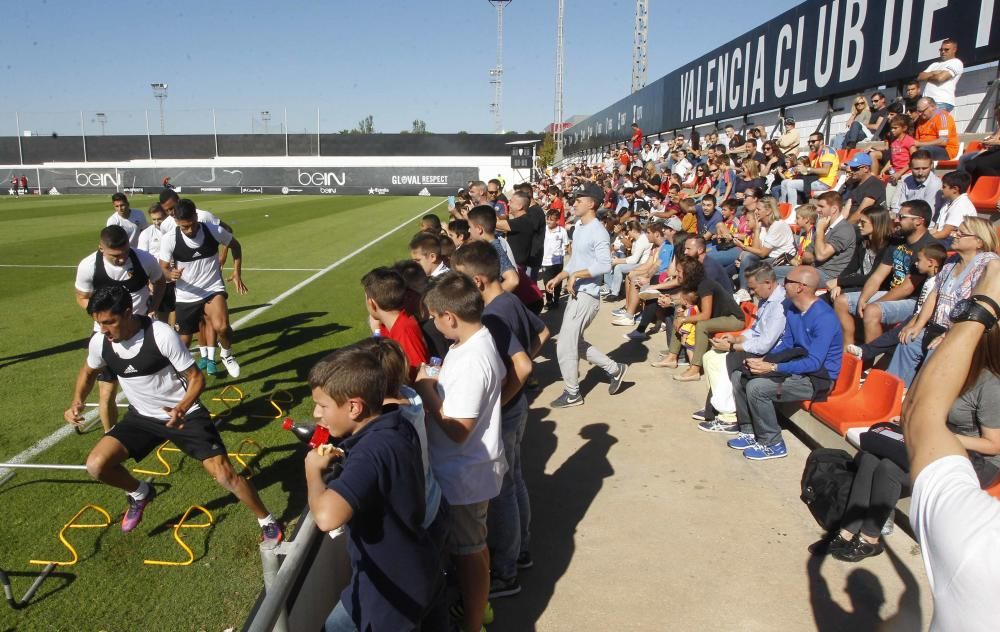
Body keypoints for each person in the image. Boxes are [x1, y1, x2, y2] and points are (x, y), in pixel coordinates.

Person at [63, 285, 281, 541]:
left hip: (184, 414)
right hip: (141, 417)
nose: (104, 330)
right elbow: (88, 372)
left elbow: (197, 378)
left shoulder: (160, 335)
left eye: (110, 322)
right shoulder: (101, 341)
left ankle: (266, 520)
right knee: (96, 466)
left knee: (224, 475)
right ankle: (140, 492)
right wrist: (77, 400)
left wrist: (182, 408)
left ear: (128, 311)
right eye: (99, 323)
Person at [305, 345, 442, 632]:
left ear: (354, 407)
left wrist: (312, 473)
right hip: (403, 570)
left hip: (390, 591)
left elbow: (327, 517)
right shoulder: (394, 423)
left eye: (323, 405)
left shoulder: (371, 452)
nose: (316, 413)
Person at [451, 242, 549, 599]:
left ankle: (506, 572)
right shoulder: (509, 302)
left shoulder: (493, 315)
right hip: (517, 406)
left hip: (507, 412)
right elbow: (542, 333)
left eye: (459, 281)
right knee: (515, 479)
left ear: (477, 281)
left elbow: (522, 366)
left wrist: (497, 400)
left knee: (503, 489)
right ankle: (520, 551)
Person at [902, 273, 1000, 631]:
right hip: (950, 447)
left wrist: (984, 303)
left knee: (887, 465)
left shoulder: (983, 545)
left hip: (977, 458)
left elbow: (918, 415)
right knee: (876, 459)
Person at [412, 272, 506, 632]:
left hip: (464, 472)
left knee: (468, 553)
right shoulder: (472, 343)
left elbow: (459, 430)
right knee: (475, 546)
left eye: (435, 318)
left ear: (449, 317)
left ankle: (473, 624)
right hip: (470, 469)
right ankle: (478, 609)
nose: (434, 325)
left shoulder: (470, 360)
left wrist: (425, 391)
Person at [727, 266, 843, 460]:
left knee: (757, 387)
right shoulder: (791, 308)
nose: (782, 284)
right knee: (740, 374)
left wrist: (773, 367)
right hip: (796, 367)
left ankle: (772, 442)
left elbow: (814, 363)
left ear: (801, 287)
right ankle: (748, 430)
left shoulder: (825, 318)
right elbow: (788, 343)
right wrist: (763, 361)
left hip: (818, 378)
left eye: (787, 281)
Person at [886, 219, 999, 387]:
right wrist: (918, 325)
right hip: (936, 327)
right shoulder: (951, 263)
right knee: (908, 341)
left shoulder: (987, 265)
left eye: (961, 233)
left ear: (978, 242)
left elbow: (974, 307)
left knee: (936, 352)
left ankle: (917, 400)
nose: (955, 234)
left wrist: (948, 335)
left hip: (959, 333)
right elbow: (934, 294)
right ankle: (893, 393)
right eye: (957, 230)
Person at [75, 226, 166, 432]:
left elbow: (160, 282)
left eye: (125, 252)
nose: (121, 259)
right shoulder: (89, 266)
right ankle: (111, 435)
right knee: (107, 392)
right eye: (115, 256)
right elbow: (81, 296)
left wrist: (153, 308)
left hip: (144, 333)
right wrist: (102, 319)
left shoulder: (144, 259)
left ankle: (164, 426)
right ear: (101, 249)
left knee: (157, 383)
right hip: (108, 335)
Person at [546, 182, 628, 408]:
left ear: (591, 203)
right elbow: (574, 262)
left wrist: (577, 275)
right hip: (577, 293)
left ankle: (573, 392)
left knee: (565, 344)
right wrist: (561, 276)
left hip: (588, 295)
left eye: (579, 199)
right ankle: (615, 368)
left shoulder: (599, 231)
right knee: (574, 343)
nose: (574, 203)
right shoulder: (579, 228)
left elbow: (604, 264)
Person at [158, 199, 246, 378]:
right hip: (186, 294)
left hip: (212, 288)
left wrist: (237, 273)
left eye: (191, 225)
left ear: (197, 217)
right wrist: (170, 275)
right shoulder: (170, 240)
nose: (189, 230)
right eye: (184, 227)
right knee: (183, 341)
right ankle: (177, 377)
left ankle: (227, 355)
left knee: (222, 327)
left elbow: (235, 246)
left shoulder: (213, 231)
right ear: (176, 222)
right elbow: (163, 268)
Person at [697, 263, 787, 430]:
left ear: (768, 283)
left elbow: (765, 344)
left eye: (753, 288)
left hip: (770, 354)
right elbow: (755, 330)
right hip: (755, 347)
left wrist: (733, 348)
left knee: (723, 360)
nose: (752, 293)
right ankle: (716, 404)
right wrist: (735, 339)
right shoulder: (766, 300)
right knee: (709, 356)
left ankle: (729, 416)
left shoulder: (779, 306)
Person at [834, 200, 937, 344]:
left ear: (919, 221)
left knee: (872, 310)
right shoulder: (898, 242)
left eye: (902, 217)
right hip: (891, 293)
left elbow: (907, 288)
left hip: (914, 301)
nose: (896, 220)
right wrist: (864, 298)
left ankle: (868, 360)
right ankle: (848, 350)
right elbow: (877, 276)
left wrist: (875, 302)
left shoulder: (929, 247)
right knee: (841, 301)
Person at [659, 258, 745, 382]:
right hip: (718, 317)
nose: (676, 274)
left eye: (679, 271)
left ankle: (695, 369)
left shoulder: (705, 285)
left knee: (702, 325)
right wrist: (670, 300)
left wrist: (684, 319)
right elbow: (684, 300)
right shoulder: (692, 284)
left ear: (689, 274)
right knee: (680, 311)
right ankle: (672, 357)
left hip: (734, 319)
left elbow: (705, 315)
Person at [361, 267, 428, 380]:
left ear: (371, 303)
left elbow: (419, 374)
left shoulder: (405, 330)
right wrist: (376, 331)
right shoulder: (385, 326)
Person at [777, 191, 856, 284]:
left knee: (780, 282)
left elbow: (821, 255)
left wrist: (819, 230)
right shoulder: (823, 225)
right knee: (770, 272)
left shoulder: (843, 229)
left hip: (828, 275)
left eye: (821, 206)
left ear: (834, 209)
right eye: (818, 206)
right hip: (812, 269)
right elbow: (807, 254)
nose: (817, 210)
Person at [732, 196, 796, 289]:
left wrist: (743, 247)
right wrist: (757, 230)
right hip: (769, 257)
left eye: (758, 209)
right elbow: (756, 248)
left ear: (769, 211)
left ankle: (744, 291)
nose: (756, 212)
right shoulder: (762, 224)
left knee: (747, 259)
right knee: (736, 264)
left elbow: (762, 253)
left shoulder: (777, 225)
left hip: (781, 260)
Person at [466, 206, 519, 293]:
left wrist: (489, 299)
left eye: (470, 227)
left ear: (479, 229)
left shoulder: (494, 249)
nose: (468, 230)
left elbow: (513, 280)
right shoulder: (490, 245)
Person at [780, 132, 839, 205]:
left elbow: (825, 171)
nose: (810, 144)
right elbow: (813, 171)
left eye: (813, 141)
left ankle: (791, 209)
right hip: (815, 180)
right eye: (809, 142)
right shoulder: (816, 154)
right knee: (784, 182)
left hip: (824, 183)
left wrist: (807, 169)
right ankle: (783, 204)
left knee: (791, 184)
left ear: (821, 142)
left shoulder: (828, 152)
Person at [916, 38, 963, 112]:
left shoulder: (956, 62)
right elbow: (919, 77)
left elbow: (940, 79)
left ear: (954, 50)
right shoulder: (934, 64)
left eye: (946, 49)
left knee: (937, 123)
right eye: (941, 50)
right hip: (926, 102)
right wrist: (934, 73)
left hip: (941, 101)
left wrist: (928, 76)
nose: (943, 52)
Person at [930, 171, 978, 243]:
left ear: (955, 189)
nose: (941, 189)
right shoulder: (948, 201)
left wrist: (921, 240)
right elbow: (936, 229)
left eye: (944, 187)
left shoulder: (961, 205)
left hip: (956, 240)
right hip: (944, 238)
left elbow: (945, 233)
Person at [891, 150, 943, 216]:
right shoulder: (906, 179)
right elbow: (897, 206)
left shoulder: (935, 184)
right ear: (910, 166)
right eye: (916, 169)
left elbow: (928, 214)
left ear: (931, 166)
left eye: (924, 168)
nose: (920, 173)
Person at [840, 154, 886, 223]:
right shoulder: (855, 183)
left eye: (855, 169)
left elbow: (861, 213)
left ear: (866, 168)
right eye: (851, 168)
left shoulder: (875, 185)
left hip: (865, 224)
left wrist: (844, 228)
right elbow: (847, 207)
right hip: (851, 221)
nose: (852, 171)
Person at [540, 209, 568, 310]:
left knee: (557, 282)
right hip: (545, 261)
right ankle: (549, 301)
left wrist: (563, 254)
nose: (548, 222)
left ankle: (556, 299)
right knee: (546, 282)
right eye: (547, 219)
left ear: (557, 221)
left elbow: (566, 245)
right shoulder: (543, 230)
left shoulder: (562, 231)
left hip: (557, 262)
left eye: (551, 220)